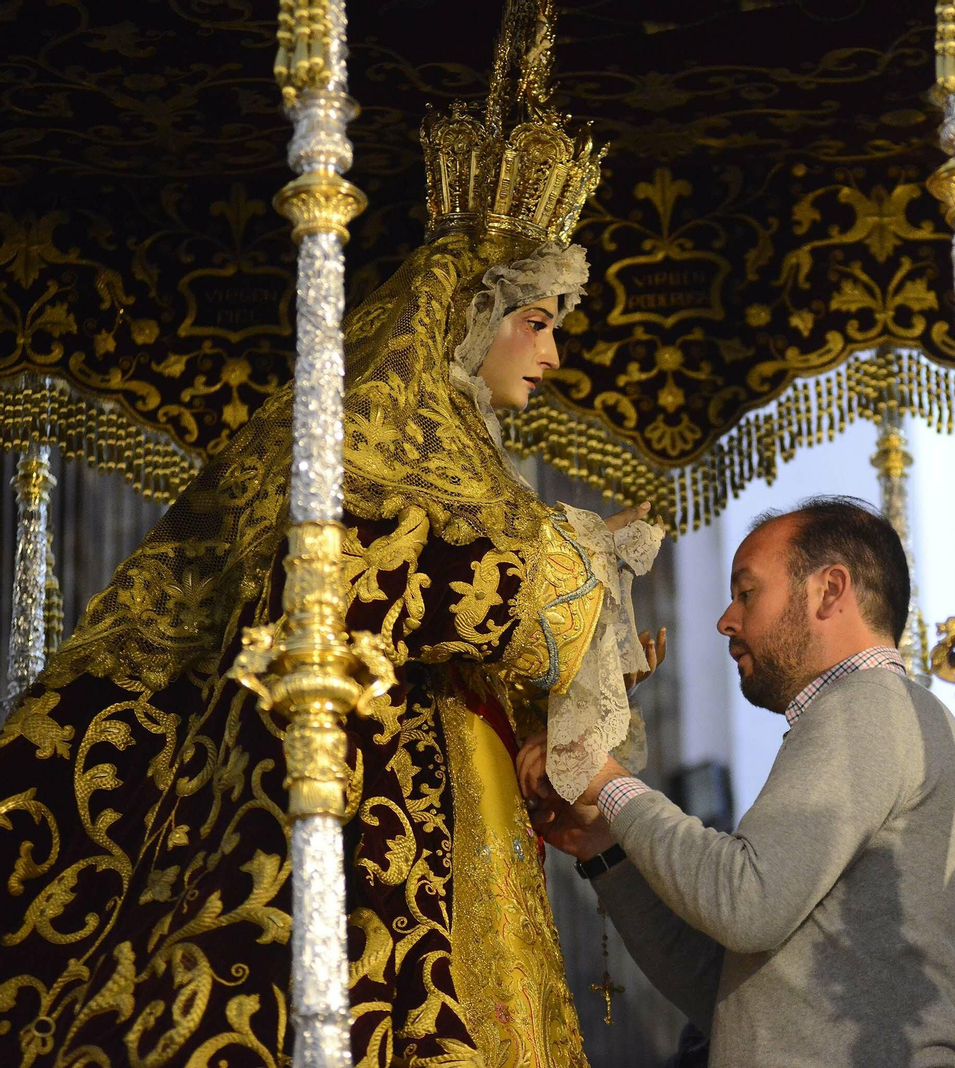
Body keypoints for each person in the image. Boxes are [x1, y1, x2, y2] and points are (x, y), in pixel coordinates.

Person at [0, 11, 661, 1064]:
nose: (551, 355)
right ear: (470, 314)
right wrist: (575, 567)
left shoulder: (473, 462)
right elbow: (374, 576)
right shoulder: (368, 433)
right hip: (364, 791)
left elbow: (509, 624)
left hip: (460, 790)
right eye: (536, 321)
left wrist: (579, 625)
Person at [521, 496, 955, 1068]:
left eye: (747, 592)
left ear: (829, 590)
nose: (726, 620)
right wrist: (602, 846)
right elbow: (719, 990)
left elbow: (745, 900)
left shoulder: (868, 706)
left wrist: (605, 778)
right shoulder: (869, 713)